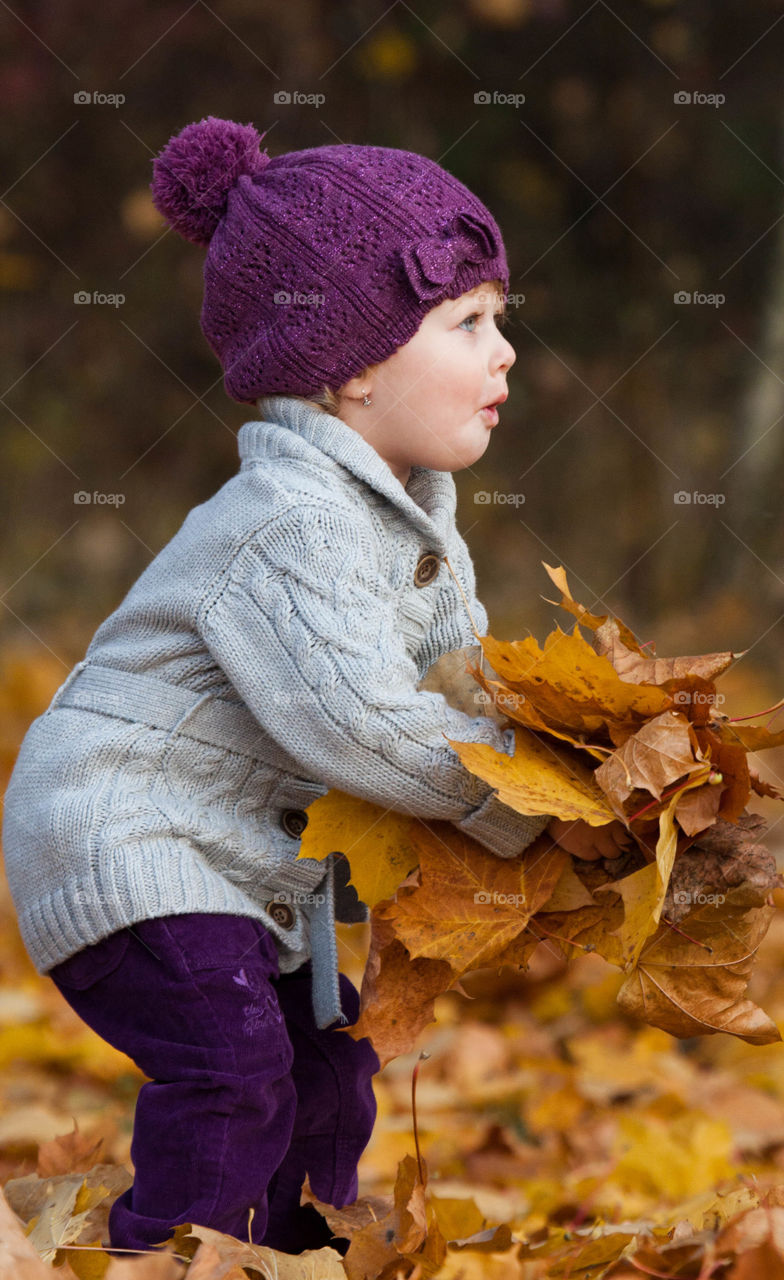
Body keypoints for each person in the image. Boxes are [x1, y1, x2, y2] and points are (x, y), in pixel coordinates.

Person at [1, 117, 628, 1257]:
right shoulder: (291, 522)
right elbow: (359, 724)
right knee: (234, 1068)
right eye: (469, 322)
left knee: (330, 1069)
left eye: (505, 321)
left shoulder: (414, 512)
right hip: (127, 830)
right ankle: (181, 1254)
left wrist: (585, 764)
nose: (507, 355)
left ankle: (302, 1247)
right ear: (348, 367)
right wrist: (524, 799)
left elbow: (460, 682)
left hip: (247, 860)